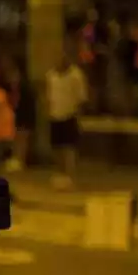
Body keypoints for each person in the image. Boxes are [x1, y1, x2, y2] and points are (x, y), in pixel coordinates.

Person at [46, 50, 88, 189]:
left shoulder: (76, 75)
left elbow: (81, 98)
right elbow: (48, 95)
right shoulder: (50, 75)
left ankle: (70, 175)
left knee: (69, 148)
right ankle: (60, 174)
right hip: (54, 114)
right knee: (57, 147)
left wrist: (79, 117)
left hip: (70, 114)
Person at [0, 57, 35, 172]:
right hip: (15, 117)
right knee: (16, 139)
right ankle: (15, 159)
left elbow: (25, 103)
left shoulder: (24, 87)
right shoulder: (10, 87)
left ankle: (20, 160)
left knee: (22, 139)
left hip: (24, 116)